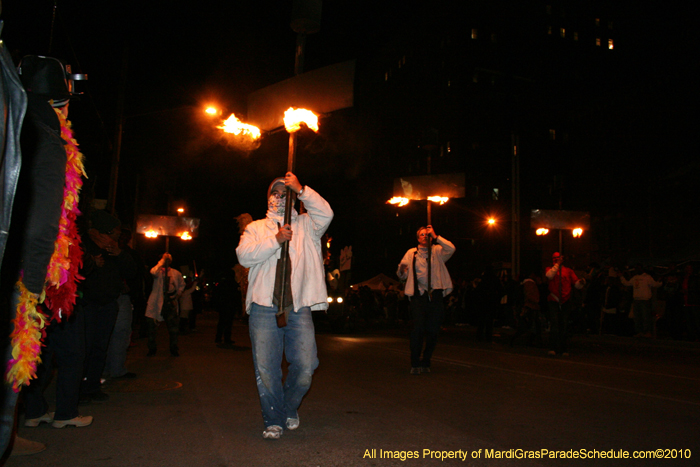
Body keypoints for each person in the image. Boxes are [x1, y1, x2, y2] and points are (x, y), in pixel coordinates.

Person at [236, 172, 333, 440]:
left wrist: (302, 189)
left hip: (297, 305)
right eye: (274, 192)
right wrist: (276, 239)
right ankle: (273, 419)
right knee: (266, 368)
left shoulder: (306, 224)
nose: (279, 196)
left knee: (305, 366)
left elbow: (326, 213)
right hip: (264, 306)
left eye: (284, 192)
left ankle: (288, 407)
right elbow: (244, 256)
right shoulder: (256, 228)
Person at [79, 210, 137, 403]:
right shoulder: (84, 245)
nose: (116, 237)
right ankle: (77, 386)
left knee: (100, 346)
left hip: (108, 304)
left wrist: (120, 254)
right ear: (100, 232)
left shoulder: (115, 250)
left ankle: (93, 386)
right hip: (87, 304)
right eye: (113, 232)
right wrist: (91, 261)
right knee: (83, 347)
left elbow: (132, 271)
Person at [397, 225, 456, 374]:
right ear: (418, 238)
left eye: (427, 234)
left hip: (435, 295)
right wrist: (402, 270)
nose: (425, 236)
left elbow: (451, 249)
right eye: (422, 235)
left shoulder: (437, 251)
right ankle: (415, 362)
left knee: (433, 330)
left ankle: (426, 360)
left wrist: (436, 236)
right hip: (418, 296)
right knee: (418, 329)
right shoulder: (412, 253)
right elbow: (402, 273)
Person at [145, 253, 185, 356]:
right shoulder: (157, 272)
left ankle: (174, 348)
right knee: (152, 328)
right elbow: (153, 271)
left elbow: (181, 284)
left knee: (173, 329)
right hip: (156, 302)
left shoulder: (175, 273)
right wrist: (162, 260)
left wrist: (178, 294)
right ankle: (152, 348)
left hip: (170, 303)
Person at [545, 252, 585, 356]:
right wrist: (557, 265)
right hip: (554, 300)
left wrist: (580, 282)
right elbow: (549, 276)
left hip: (565, 300)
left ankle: (563, 348)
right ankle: (553, 347)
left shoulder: (568, 271)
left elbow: (576, 284)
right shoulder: (550, 269)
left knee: (564, 324)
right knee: (554, 324)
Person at [619, 264, 662, 338]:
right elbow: (627, 283)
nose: (636, 270)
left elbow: (655, 285)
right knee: (637, 317)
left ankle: (647, 332)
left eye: (637, 268)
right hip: (636, 300)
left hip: (645, 300)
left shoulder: (647, 277)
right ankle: (639, 331)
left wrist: (660, 282)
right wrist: (621, 277)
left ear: (641, 269)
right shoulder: (635, 277)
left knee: (645, 317)